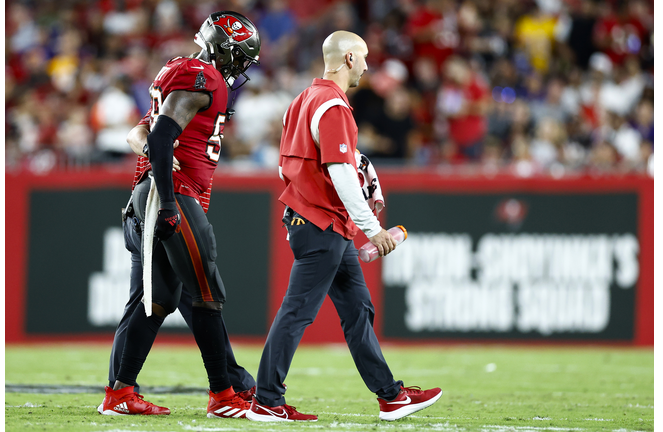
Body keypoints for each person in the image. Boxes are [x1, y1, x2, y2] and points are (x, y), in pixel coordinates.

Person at [245, 30, 442, 423]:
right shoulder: (333, 105)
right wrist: (373, 228)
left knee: (358, 309)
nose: (367, 66)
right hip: (323, 223)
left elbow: (298, 161)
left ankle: (391, 396)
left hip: (316, 221)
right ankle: (267, 398)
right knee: (297, 311)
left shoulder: (301, 100)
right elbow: (340, 172)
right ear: (349, 58)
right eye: (364, 58)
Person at [98, 11, 261, 418]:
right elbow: (158, 135)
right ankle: (224, 395)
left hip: (150, 195)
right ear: (223, 49)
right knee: (206, 294)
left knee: (156, 301)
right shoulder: (200, 76)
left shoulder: (178, 68)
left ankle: (120, 393)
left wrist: (154, 156)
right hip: (173, 197)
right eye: (238, 57)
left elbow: (143, 132)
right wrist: (168, 196)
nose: (239, 68)